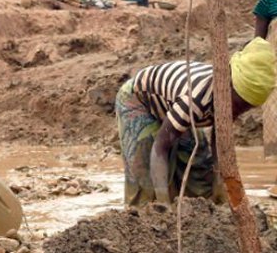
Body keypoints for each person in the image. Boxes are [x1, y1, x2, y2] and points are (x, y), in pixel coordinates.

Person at [115, 37, 276, 207]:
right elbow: (160, 147)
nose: (238, 112)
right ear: (228, 86)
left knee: (199, 169)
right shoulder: (193, 100)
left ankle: (197, 214)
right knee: (145, 178)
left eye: (246, 108)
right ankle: (145, 218)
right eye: (238, 105)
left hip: (174, 105)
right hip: (140, 101)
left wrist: (220, 183)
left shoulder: (229, 99)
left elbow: (219, 140)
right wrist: (163, 204)